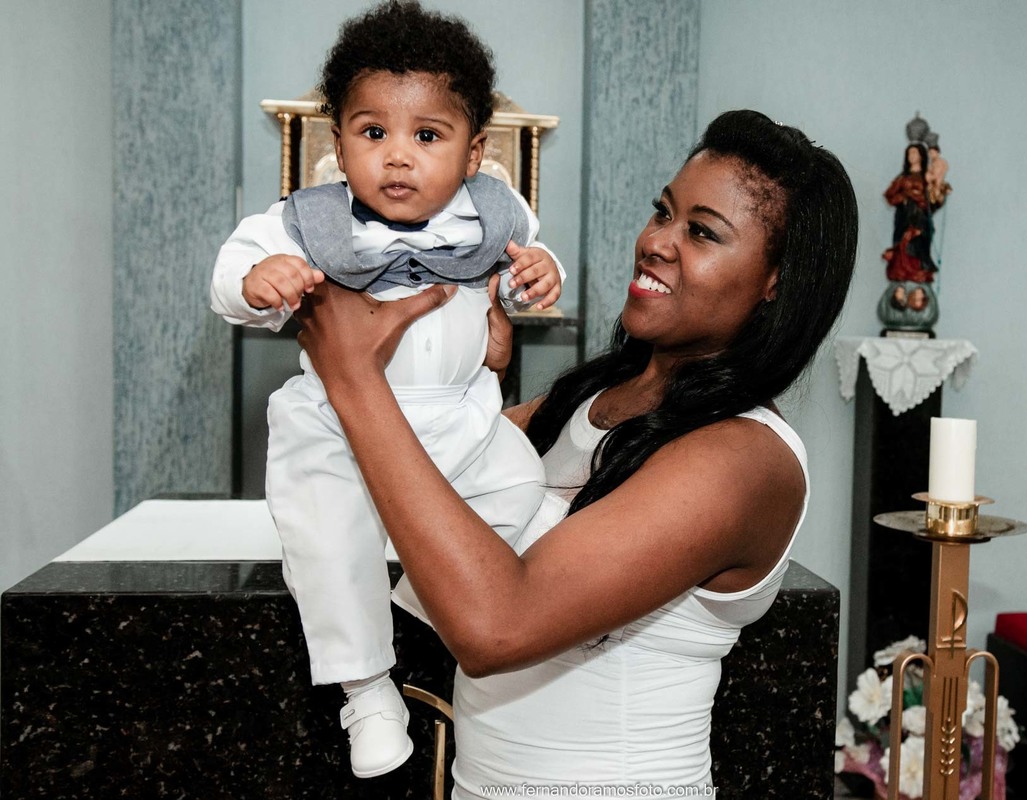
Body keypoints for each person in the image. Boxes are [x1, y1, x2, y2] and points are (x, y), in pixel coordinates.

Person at [295, 109, 858, 795]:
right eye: (663, 212)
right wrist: (473, 379)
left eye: (702, 232)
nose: (656, 241)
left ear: (777, 283)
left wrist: (353, 379)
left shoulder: (744, 458)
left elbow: (497, 624)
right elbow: (435, 496)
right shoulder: (599, 397)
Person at [208, 0, 563, 779]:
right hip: (340, 422)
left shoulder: (493, 215)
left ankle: (416, 607)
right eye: (374, 133)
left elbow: (528, 263)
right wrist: (256, 281)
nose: (397, 157)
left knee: (522, 480)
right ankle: (366, 691)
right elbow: (230, 273)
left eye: (426, 136)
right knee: (327, 539)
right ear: (338, 144)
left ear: (473, 155)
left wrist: (540, 276)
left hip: (457, 419)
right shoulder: (308, 222)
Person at [883, 142, 938, 301]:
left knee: (919, 246)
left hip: (921, 218)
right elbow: (889, 196)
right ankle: (901, 285)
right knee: (903, 246)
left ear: (921, 156)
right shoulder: (903, 178)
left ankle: (919, 280)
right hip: (904, 218)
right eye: (909, 154)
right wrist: (904, 198)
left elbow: (933, 201)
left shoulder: (927, 178)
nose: (912, 157)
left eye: (915, 153)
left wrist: (934, 194)